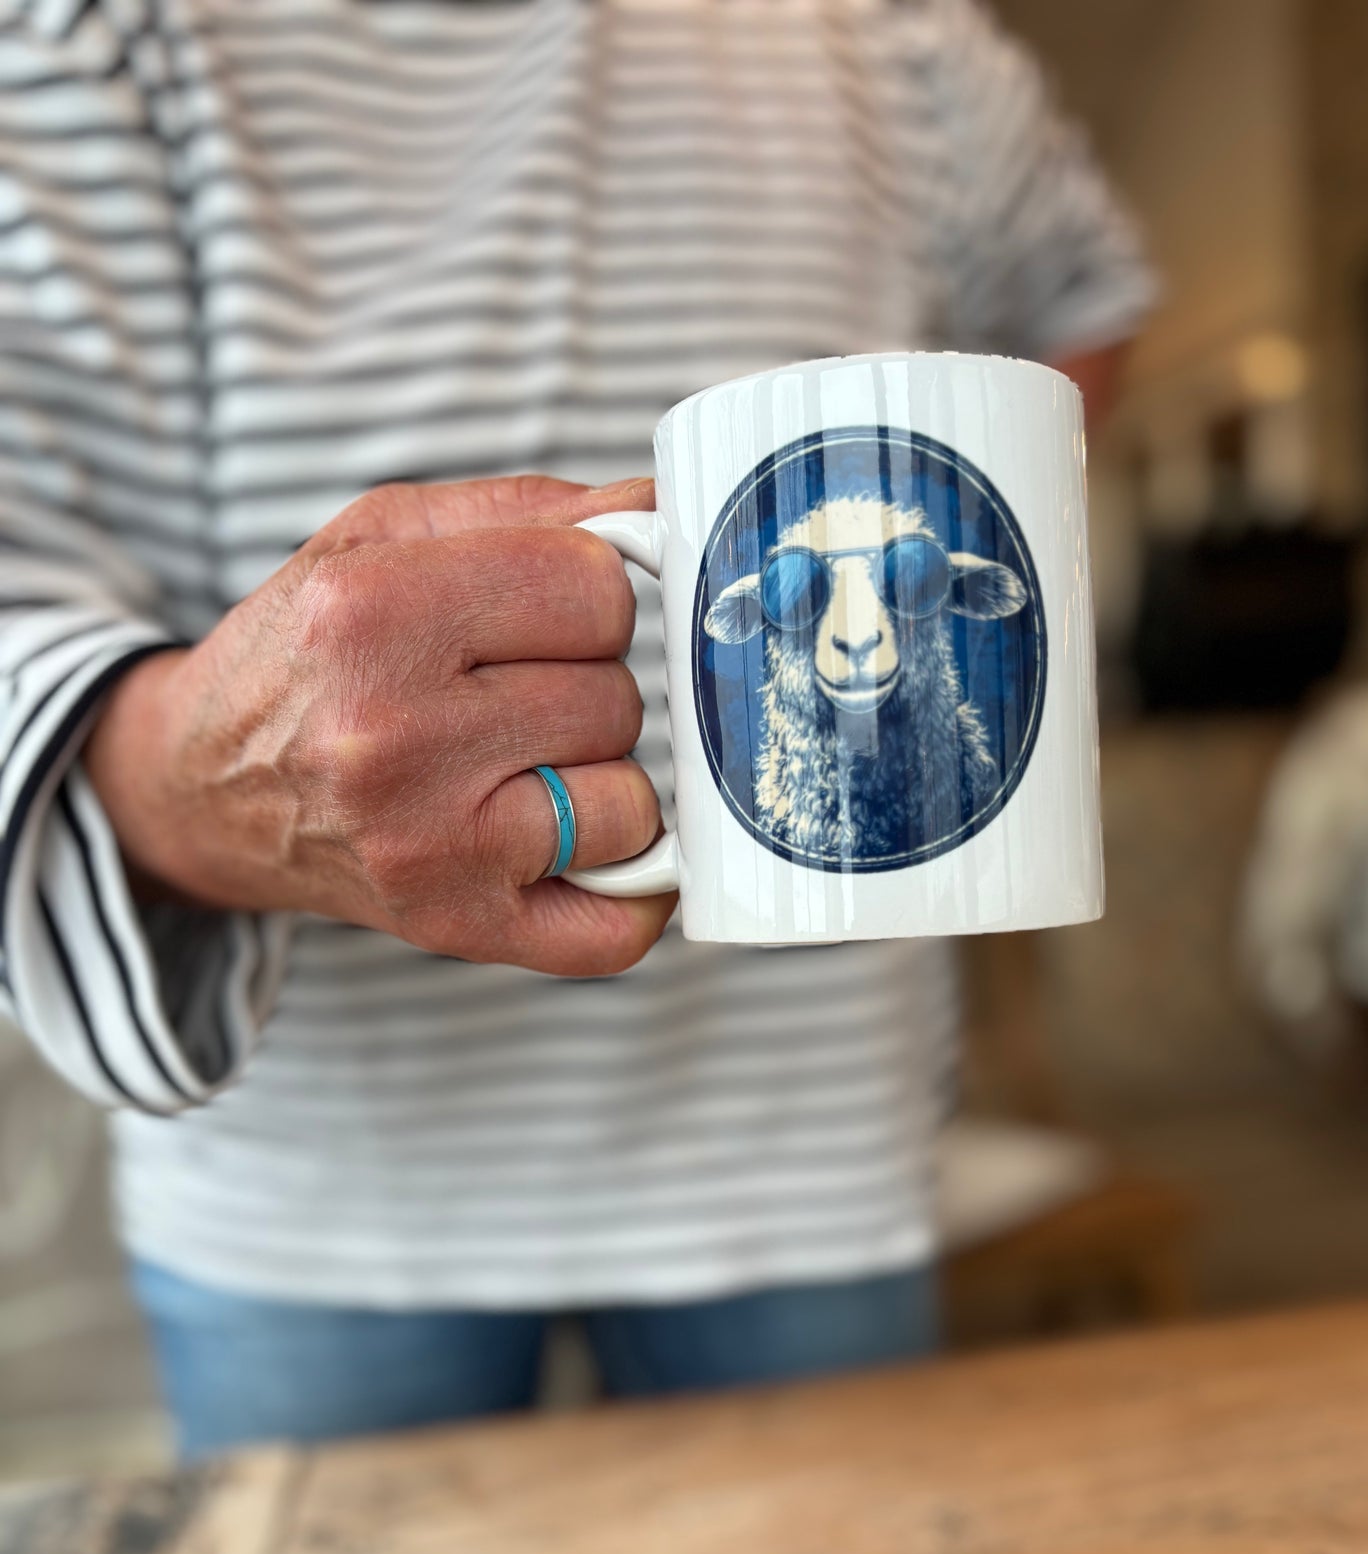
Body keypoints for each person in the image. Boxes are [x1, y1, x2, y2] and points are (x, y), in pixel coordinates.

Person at [0, 0, 1152, 1457]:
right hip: (326, 1198)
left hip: (799, 1139)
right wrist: (194, 776)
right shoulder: (88, 37)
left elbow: (1077, 295)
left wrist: (954, 601)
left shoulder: (893, 38)